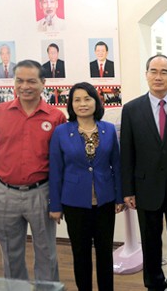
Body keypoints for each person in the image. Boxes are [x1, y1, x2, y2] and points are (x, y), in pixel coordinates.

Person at [121, 54, 167, 291]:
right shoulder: (131, 109)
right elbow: (127, 153)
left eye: (164, 72)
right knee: (150, 240)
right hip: (145, 187)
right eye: (154, 71)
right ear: (146, 74)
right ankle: (153, 283)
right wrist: (127, 189)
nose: (158, 76)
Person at [48, 82, 125, 291]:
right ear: (71, 104)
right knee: (80, 254)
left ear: (96, 101)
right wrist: (55, 205)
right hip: (74, 202)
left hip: (105, 200)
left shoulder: (108, 129)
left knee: (104, 254)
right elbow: (55, 171)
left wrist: (119, 197)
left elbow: (116, 165)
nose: (83, 104)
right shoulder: (61, 132)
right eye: (77, 99)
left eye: (87, 98)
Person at [0, 59, 66, 281]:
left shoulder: (56, 117)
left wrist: (57, 200)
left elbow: (61, 162)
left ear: (43, 83)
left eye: (31, 81)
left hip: (41, 193)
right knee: (10, 252)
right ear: (13, 83)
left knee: (46, 252)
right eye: (19, 80)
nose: (25, 86)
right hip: (5, 193)